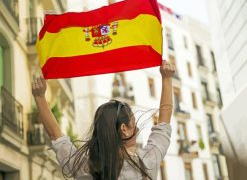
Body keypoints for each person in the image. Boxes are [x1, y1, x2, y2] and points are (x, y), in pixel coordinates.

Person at [32, 60, 175, 180]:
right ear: (124, 129)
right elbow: (164, 122)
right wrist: (167, 78)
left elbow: (55, 135)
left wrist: (39, 97)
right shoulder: (146, 162)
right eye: (134, 124)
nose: (137, 129)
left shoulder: (84, 167)